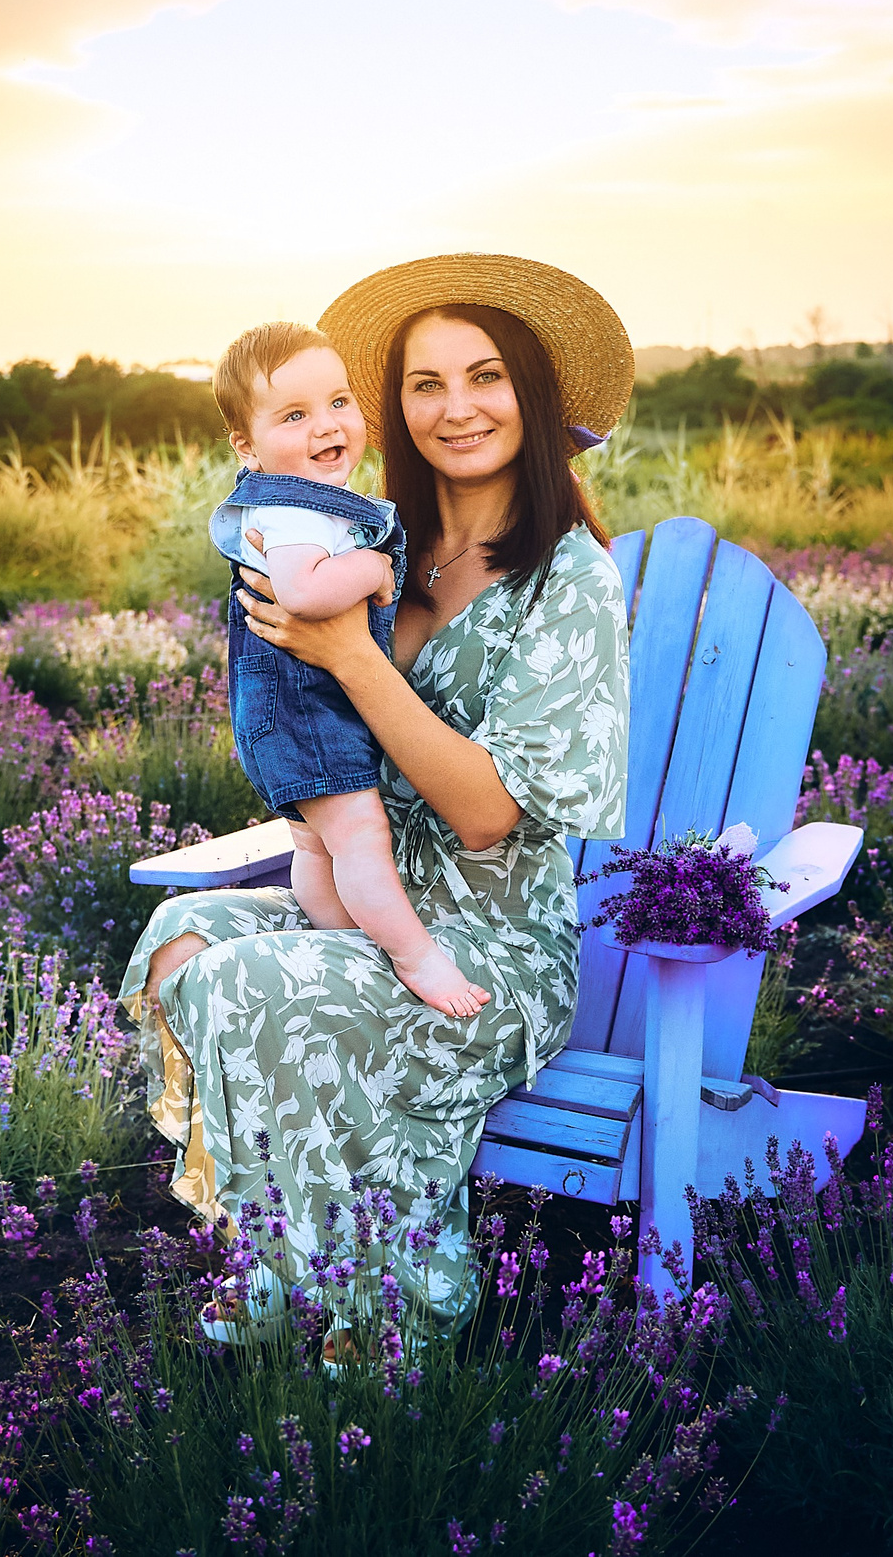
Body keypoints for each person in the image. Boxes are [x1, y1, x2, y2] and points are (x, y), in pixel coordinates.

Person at [120, 254, 634, 1366]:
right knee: (183, 935)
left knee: (255, 981)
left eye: (486, 377)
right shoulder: (373, 541)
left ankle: (372, 1315)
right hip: (369, 902)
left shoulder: (565, 582)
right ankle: (283, 1257)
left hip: (490, 950)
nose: (456, 409)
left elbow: (494, 815)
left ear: (533, 397)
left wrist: (353, 658)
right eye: (424, 384)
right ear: (395, 406)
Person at [206, 322, 486, 1020]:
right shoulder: (296, 509)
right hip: (308, 707)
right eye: (295, 415)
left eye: (338, 403)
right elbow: (302, 594)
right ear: (247, 444)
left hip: (283, 714)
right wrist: (369, 566)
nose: (326, 426)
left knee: (319, 841)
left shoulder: (291, 498)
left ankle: (341, 942)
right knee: (360, 836)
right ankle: (412, 955)